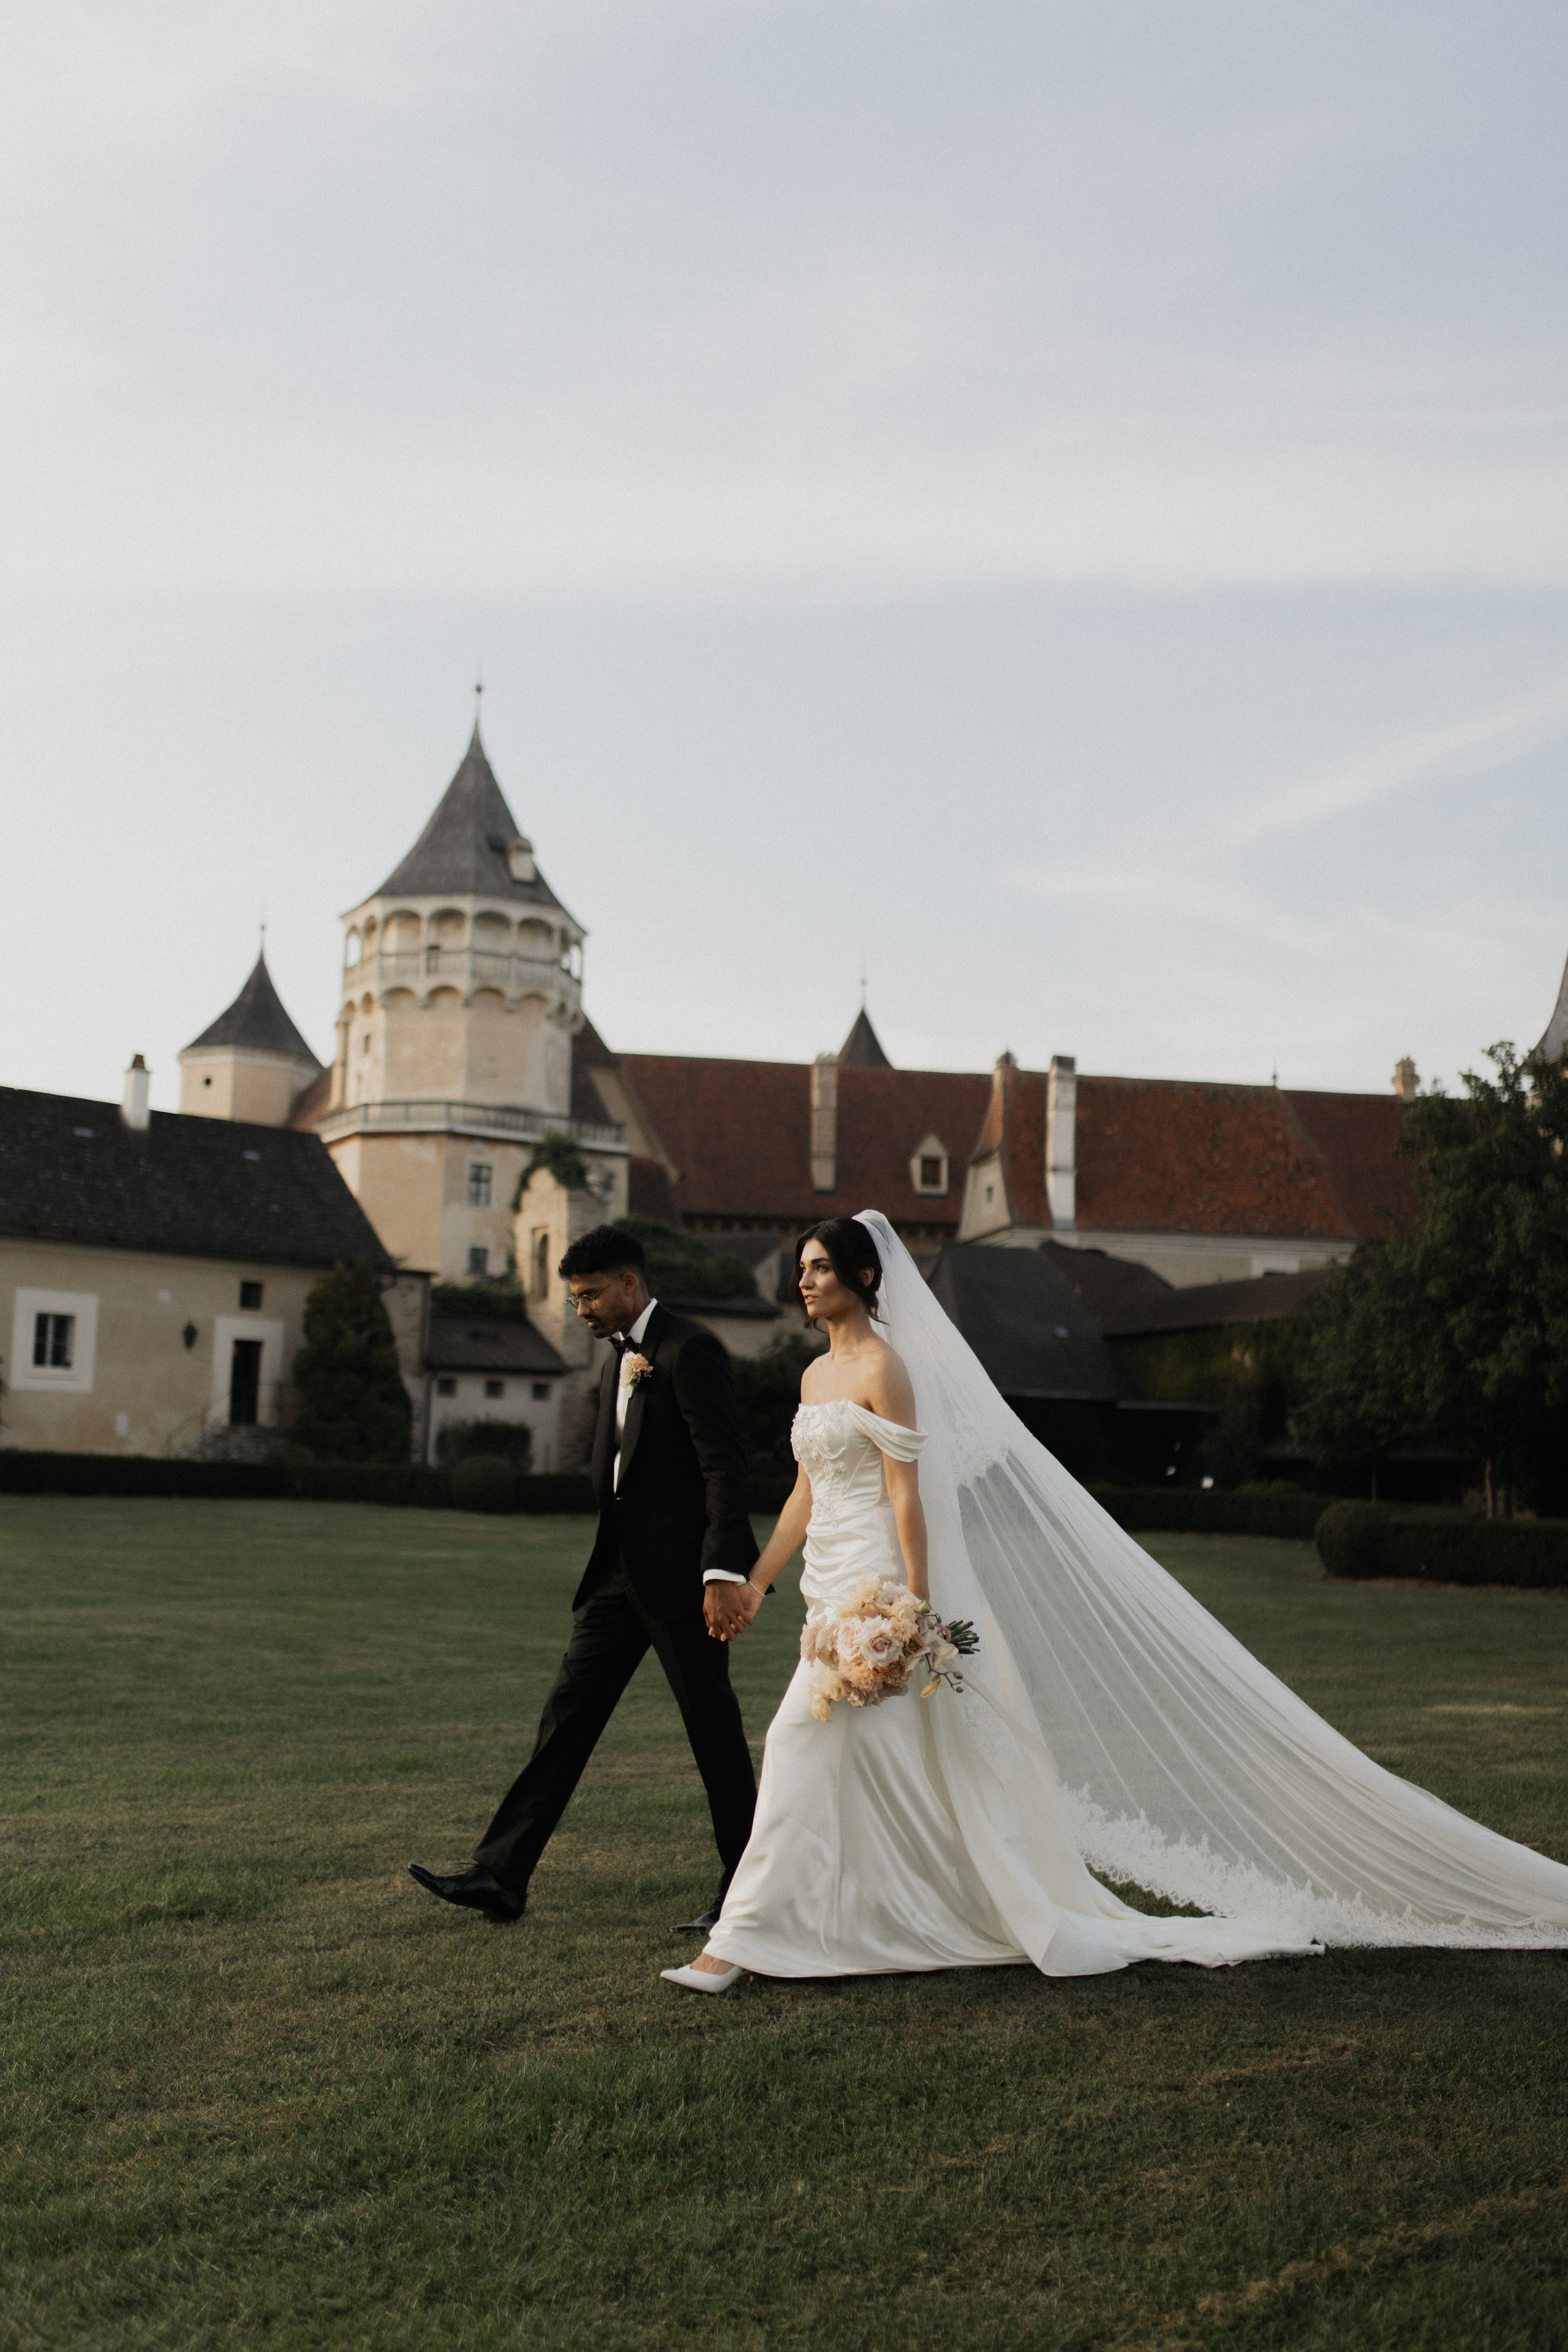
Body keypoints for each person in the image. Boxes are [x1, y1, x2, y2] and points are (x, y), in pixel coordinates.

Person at [662, 1212, 1568, 1992]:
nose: (804, 1281)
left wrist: (914, 1610)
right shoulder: (814, 1378)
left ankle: (738, 1942)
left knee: (798, 1738)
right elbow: (804, 1494)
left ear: (865, 1278)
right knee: (889, 1764)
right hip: (825, 1583)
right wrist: (757, 1580)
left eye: (821, 1267)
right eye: (802, 1268)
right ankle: (893, 1911)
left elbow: (907, 1498)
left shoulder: (884, 1370)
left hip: (876, 1584)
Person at [410, 1223, 759, 1932]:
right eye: (575, 1299)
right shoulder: (616, 1360)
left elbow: (724, 1466)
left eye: (592, 1295)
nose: (581, 1311)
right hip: (613, 1578)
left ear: (630, 1283)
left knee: (711, 1731)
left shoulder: (689, 1350)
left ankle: (751, 1889)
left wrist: (721, 1570)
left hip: (682, 1582)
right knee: (565, 1718)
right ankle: (501, 1876)